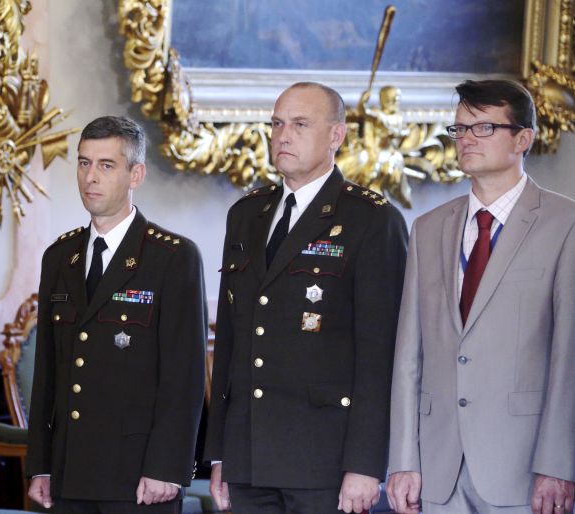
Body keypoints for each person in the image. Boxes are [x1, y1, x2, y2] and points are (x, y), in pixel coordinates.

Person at [204, 82, 408, 514]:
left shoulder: (371, 219)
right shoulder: (246, 215)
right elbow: (231, 345)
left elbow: (381, 355)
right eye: (277, 124)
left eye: (300, 124)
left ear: (336, 135)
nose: (283, 136)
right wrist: (221, 452)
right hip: (249, 456)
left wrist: (365, 464)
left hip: (324, 460)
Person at [387, 79, 575, 514]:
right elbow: (409, 356)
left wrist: (558, 464)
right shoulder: (427, 228)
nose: (467, 139)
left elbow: (569, 355)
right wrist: (403, 460)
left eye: (484, 127)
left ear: (523, 139)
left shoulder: (564, 222)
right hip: (437, 465)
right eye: (459, 128)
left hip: (523, 467)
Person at [26, 115, 207, 513]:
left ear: (135, 174)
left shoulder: (172, 257)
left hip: (139, 476)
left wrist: (167, 468)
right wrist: (40, 464)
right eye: (84, 163)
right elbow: (48, 372)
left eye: (106, 165)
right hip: (70, 471)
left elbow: (184, 377)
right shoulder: (60, 257)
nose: (90, 177)